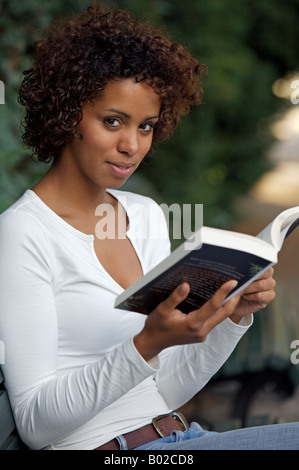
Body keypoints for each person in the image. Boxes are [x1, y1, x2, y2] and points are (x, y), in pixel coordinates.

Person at [0, 5, 297, 451]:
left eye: (147, 127)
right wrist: (146, 343)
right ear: (66, 113)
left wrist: (233, 316)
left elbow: (167, 390)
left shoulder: (144, 215)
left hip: (178, 437)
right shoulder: (24, 233)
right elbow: (36, 425)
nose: (132, 146)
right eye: (112, 121)